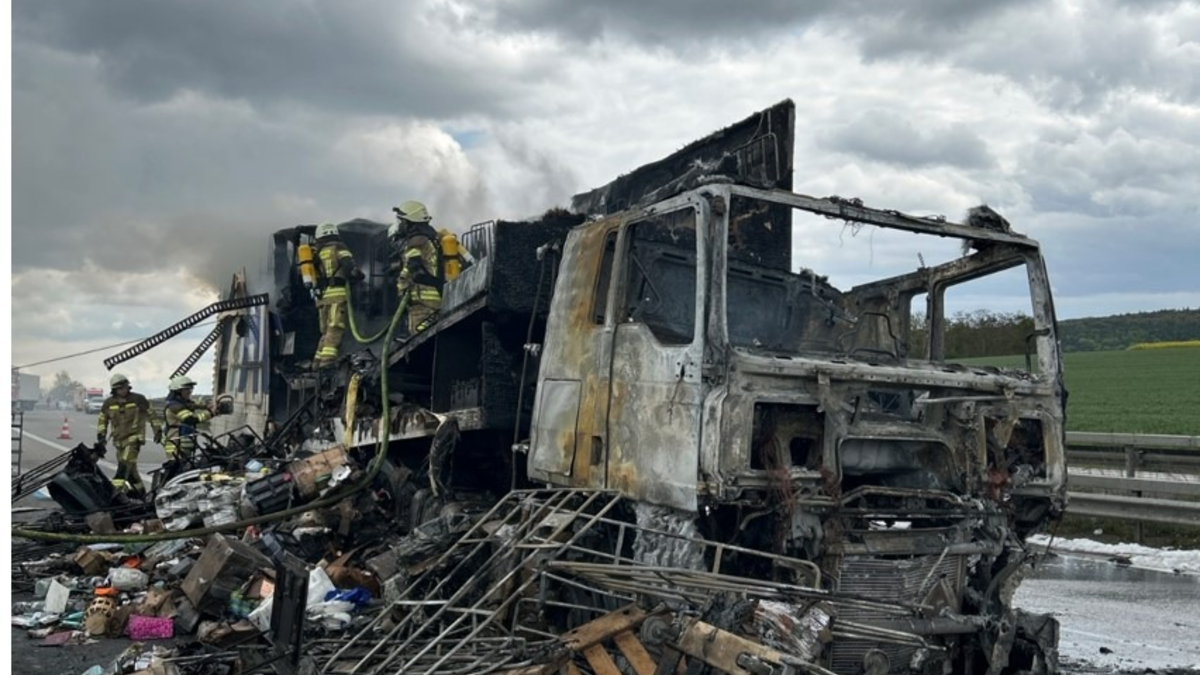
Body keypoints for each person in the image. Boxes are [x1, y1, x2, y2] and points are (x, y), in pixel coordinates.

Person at [96, 373, 156, 497]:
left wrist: (158, 431)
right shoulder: (109, 403)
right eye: (120, 388)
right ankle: (142, 495)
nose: (123, 390)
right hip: (118, 441)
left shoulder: (138, 399)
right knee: (132, 472)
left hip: (134, 438)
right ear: (114, 389)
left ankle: (113, 494)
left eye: (125, 387)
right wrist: (101, 436)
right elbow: (102, 420)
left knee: (124, 466)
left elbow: (152, 415)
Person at [312, 221, 362, 368]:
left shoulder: (317, 253)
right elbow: (349, 268)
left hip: (322, 298)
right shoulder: (339, 248)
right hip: (337, 295)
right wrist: (358, 276)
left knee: (325, 332)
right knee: (335, 328)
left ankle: (316, 363)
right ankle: (327, 363)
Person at [390, 201, 444, 334]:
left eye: (402, 221)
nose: (400, 225)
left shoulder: (416, 242)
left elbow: (417, 272)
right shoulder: (429, 239)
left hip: (423, 306)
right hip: (431, 304)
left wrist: (403, 284)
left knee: (420, 344)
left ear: (409, 222)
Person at [162, 375, 218, 462]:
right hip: (175, 441)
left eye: (190, 389)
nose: (189, 392)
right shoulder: (175, 406)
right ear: (178, 391)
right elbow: (190, 419)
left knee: (186, 463)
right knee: (176, 465)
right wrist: (211, 413)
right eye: (187, 389)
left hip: (182, 440)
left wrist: (207, 406)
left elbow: (192, 405)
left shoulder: (182, 403)